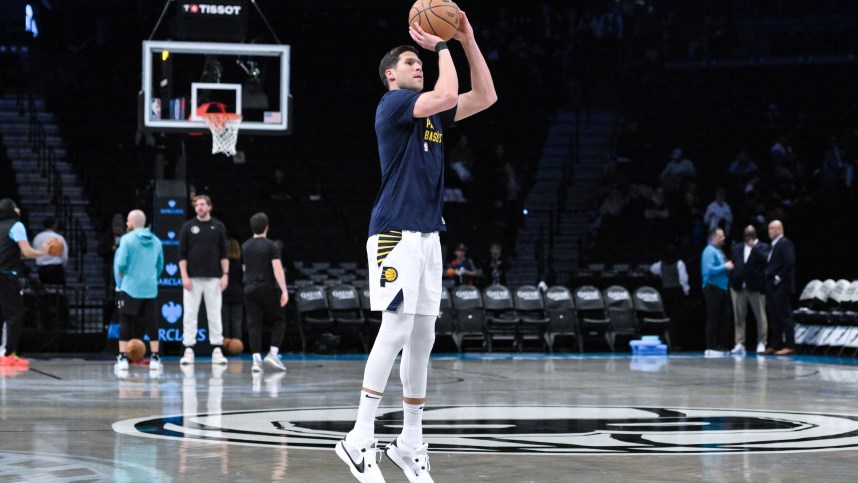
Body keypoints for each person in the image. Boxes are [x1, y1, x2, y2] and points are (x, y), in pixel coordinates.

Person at [336, 11, 496, 483]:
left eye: (419, 61)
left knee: (423, 337)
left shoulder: (432, 110)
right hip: (394, 231)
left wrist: (466, 37)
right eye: (411, 61)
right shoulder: (394, 105)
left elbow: (485, 96)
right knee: (398, 327)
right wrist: (441, 46)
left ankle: (409, 442)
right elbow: (446, 92)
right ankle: (358, 437)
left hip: (429, 233)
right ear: (391, 75)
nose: (418, 65)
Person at [178, 194, 229, 365]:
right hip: (192, 279)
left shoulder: (218, 226)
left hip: (214, 278)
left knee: (214, 314)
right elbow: (182, 255)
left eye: (202, 204)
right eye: (196, 205)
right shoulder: (188, 227)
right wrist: (184, 276)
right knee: (190, 314)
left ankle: (216, 349)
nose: (199, 207)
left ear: (209, 207)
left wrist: (225, 275)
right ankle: (188, 349)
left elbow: (224, 253)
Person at [113, 210, 164, 372]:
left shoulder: (127, 239)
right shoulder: (156, 241)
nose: (126, 223)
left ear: (133, 222)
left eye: (128, 220)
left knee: (125, 321)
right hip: (149, 288)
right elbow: (160, 265)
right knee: (152, 322)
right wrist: (150, 277)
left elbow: (120, 263)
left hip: (129, 287)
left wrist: (123, 273)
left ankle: (122, 357)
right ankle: (155, 357)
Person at [0, 199, 48, 368]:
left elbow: (14, 253)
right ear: (11, 210)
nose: (19, 209)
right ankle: (8, 354)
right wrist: (44, 252)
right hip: (6, 276)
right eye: (16, 207)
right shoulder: (16, 225)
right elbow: (26, 251)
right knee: (15, 315)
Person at [241, 213, 289, 373]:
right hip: (266, 288)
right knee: (279, 319)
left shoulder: (245, 245)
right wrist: (284, 290)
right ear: (267, 227)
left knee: (253, 324)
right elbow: (277, 269)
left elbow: (244, 268)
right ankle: (273, 353)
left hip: (249, 288)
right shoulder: (271, 246)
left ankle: (256, 361)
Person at [729, 226, 770, 356]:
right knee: (739, 316)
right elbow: (733, 264)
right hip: (739, 287)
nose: (748, 236)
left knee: (760, 316)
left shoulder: (763, 247)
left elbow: (766, 262)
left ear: (755, 235)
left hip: (755, 288)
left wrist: (754, 248)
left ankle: (761, 342)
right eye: (746, 234)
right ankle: (739, 343)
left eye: (750, 234)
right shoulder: (737, 248)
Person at [764, 220, 796, 355]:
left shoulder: (785, 243)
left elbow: (790, 262)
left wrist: (779, 277)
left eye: (771, 228)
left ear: (779, 230)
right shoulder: (774, 245)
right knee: (774, 316)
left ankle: (789, 345)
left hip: (781, 286)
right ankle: (776, 344)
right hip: (772, 286)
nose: (769, 231)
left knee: (784, 316)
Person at [701, 227, 733, 357]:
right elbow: (708, 270)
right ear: (713, 237)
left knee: (725, 317)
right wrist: (725, 266)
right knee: (714, 317)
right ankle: (711, 346)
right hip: (712, 288)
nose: (724, 238)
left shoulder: (719, 251)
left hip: (722, 288)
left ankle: (722, 345)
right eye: (721, 236)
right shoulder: (709, 251)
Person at [32, 217, 68, 286]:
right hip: (56, 268)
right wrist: (63, 267)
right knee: (58, 292)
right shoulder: (59, 238)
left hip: (42, 269)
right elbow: (64, 256)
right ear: (54, 225)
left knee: (45, 291)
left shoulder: (37, 237)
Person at [222, 239, 244, 341]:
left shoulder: (222, 265)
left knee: (224, 321)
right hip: (238, 294)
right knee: (237, 321)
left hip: (224, 293)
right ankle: (237, 344)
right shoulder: (241, 265)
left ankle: (225, 344)